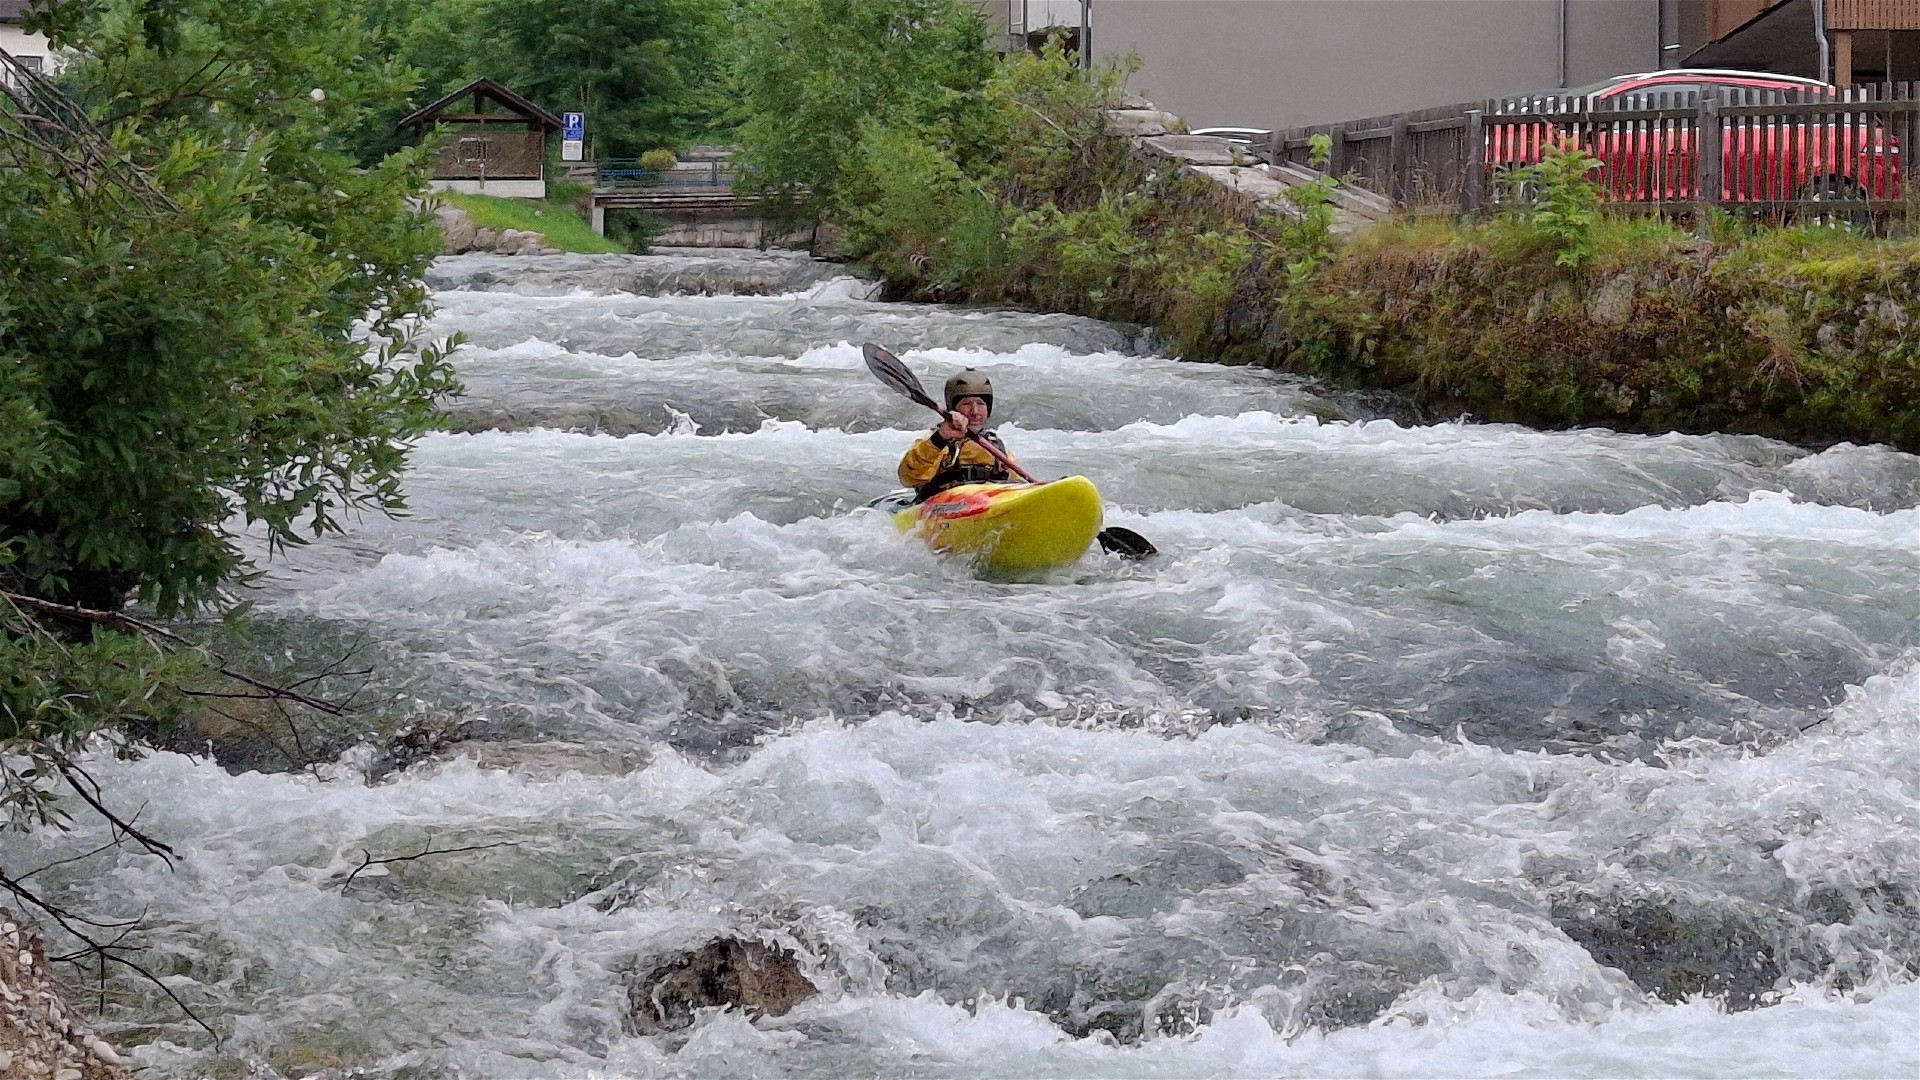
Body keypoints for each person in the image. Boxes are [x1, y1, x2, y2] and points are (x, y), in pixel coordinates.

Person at [896, 369, 1021, 500]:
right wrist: (940, 439)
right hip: (941, 510)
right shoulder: (935, 441)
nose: (975, 412)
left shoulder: (996, 447)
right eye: (967, 404)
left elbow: (1018, 485)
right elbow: (908, 478)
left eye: (981, 404)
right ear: (953, 409)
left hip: (987, 505)